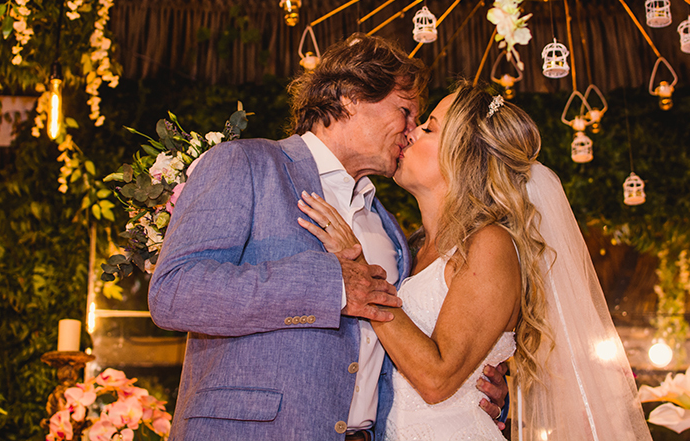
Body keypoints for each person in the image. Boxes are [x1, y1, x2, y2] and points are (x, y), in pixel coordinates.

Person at [148, 34, 507, 441]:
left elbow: (402, 346)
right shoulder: (247, 164)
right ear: (351, 96)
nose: (410, 132)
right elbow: (173, 292)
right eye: (405, 112)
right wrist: (333, 286)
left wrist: (477, 391)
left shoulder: (388, 227)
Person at [298, 82, 652, 441]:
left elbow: (437, 379)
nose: (410, 131)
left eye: (429, 127)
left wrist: (359, 271)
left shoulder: (490, 243)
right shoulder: (407, 248)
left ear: (464, 155)